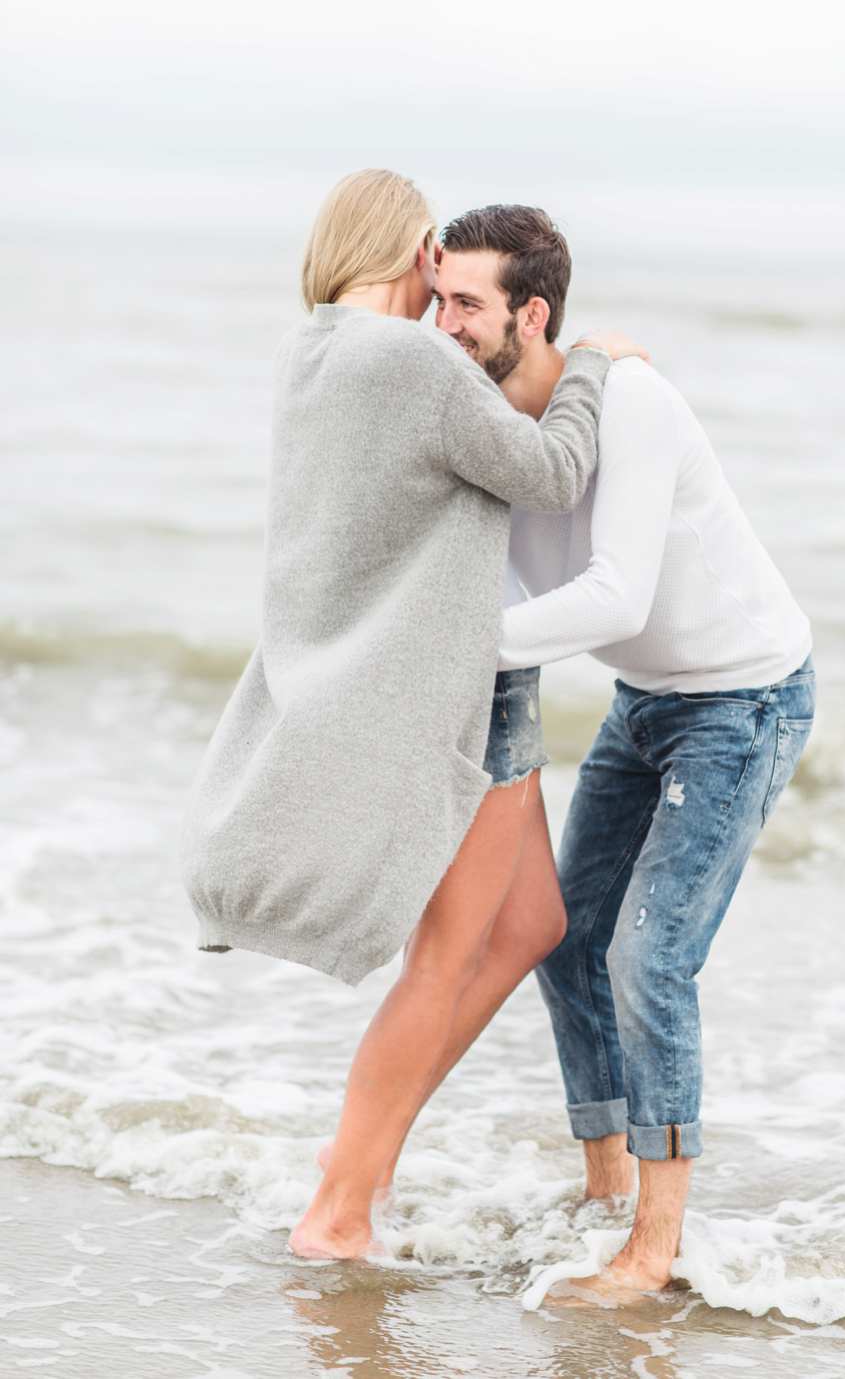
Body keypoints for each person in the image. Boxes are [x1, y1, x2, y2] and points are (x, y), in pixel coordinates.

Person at [178, 168, 648, 1259]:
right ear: (414, 251)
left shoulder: (313, 352)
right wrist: (590, 364)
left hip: (452, 675)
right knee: (444, 957)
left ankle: (361, 1161)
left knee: (534, 923)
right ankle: (340, 1204)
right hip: (458, 688)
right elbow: (552, 471)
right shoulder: (414, 360)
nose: (442, 285)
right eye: (432, 259)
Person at [388, 205, 813, 1303]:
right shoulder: (488, 421)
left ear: (532, 315)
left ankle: (652, 1251)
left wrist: (452, 652)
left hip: (743, 698)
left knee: (646, 957)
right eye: (438, 300)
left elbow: (612, 591)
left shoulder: (632, 405)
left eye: (467, 304)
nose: (445, 324)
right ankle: (606, 1186)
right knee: (568, 943)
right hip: (645, 699)